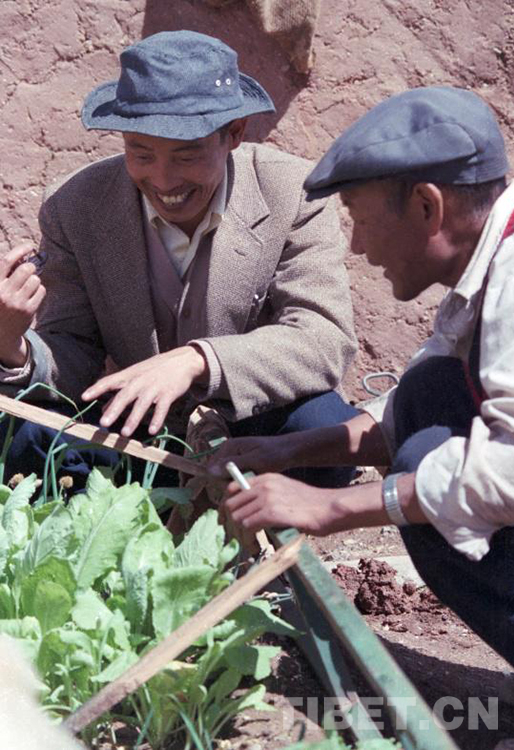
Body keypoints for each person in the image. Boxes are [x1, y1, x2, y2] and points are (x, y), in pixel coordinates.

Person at [212, 85, 514, 669]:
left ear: (427, 207)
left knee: (422, 471)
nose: (355, 244)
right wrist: (285, 450)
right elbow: (411, 405)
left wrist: (335, 508)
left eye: (359, 217)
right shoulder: (493, 259)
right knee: (428, 396)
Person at [0, 30, 358, 487]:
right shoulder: (75, 206)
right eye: (140, 153)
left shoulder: (292, 194)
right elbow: (74, 350)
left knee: (324, 433)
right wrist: (13, 347)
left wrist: (198, 360)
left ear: (234, 134)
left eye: (186, 156)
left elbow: (323, 338)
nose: (163, 179)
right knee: (19, 434)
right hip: (139, 432)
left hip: (254, 427)